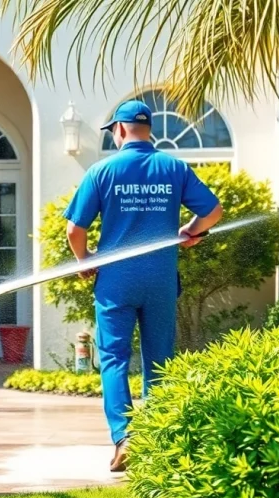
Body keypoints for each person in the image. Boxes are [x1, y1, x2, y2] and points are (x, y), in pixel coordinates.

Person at [63, 100, 223, 472]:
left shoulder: (102, 171)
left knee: (114, 358)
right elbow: (213, 211)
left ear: (119, 130)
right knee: (160, 359)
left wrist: (85, 260)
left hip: (115, 281)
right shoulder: (174, 167)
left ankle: (125, 438)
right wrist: (190, 230)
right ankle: (157, 439)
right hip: (160, 280)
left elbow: (74, 230)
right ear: (148, 128)